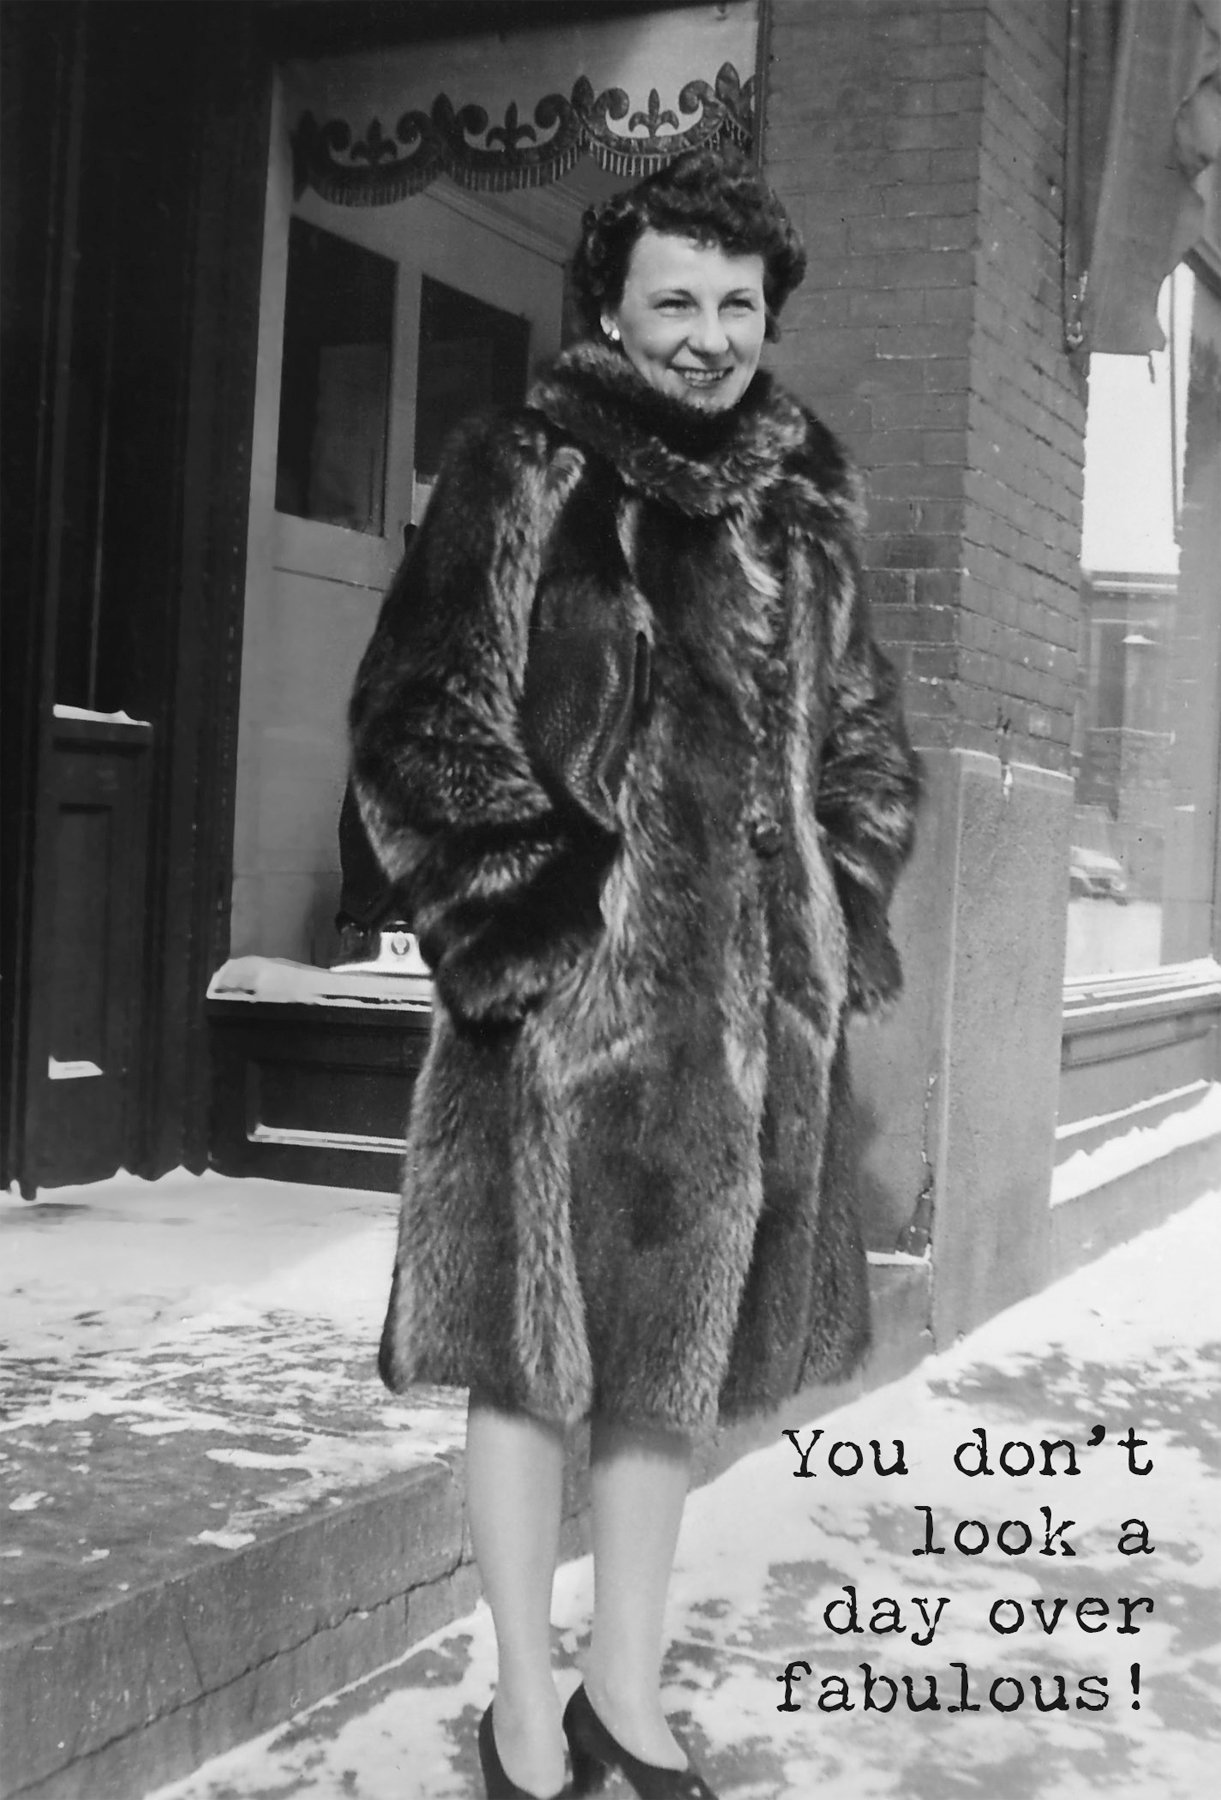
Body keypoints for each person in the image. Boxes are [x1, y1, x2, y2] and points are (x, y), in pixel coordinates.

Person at [349, 149, 920, 1800]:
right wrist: (530, 942)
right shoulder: (525, 472)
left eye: (736, 304)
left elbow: (862, 740)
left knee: (671, 1369)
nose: (707, 336)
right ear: (609, 305)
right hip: (561, 1023)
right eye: (674, 300)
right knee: (532, 1360)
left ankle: (623, 1690)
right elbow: (419, 718)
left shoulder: (802, 500)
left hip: (746, 1030)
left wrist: (833, 912)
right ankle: (526, 1706)